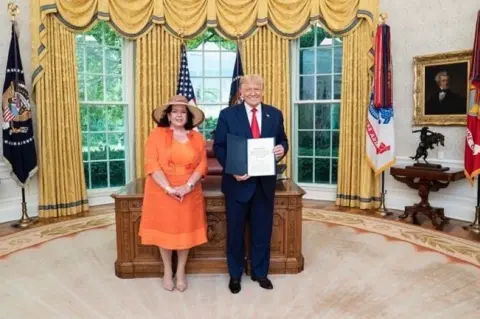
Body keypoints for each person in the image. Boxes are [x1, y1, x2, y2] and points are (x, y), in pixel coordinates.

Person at [213, 74, 289, 294]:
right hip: (237, 185)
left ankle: (260, 272)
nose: (253, 93)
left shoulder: (274, 114)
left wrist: (281, 149)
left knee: (262, 232)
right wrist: (233, 169)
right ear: (241, 93)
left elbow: (282, 140)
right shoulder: (227, 115)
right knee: (235, 233)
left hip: (264, 184)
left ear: (263, 91)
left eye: (257, 89)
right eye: (249, 89)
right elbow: (219, 146)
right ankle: (235, 275)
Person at [139, 95, 208, 292]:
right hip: (161, 190)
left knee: (184, 231)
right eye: (175, 111)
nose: (179, 115)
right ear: (168, 116)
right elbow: (151, 164)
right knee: (166, 232)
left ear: (188, 116)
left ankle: (181, 271)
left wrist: (188, 185)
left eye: (183, 112)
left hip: (189, 190)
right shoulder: (156, 135)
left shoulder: (197, 138)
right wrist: (168, 188)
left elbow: (202, 164)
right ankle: (168, 271)